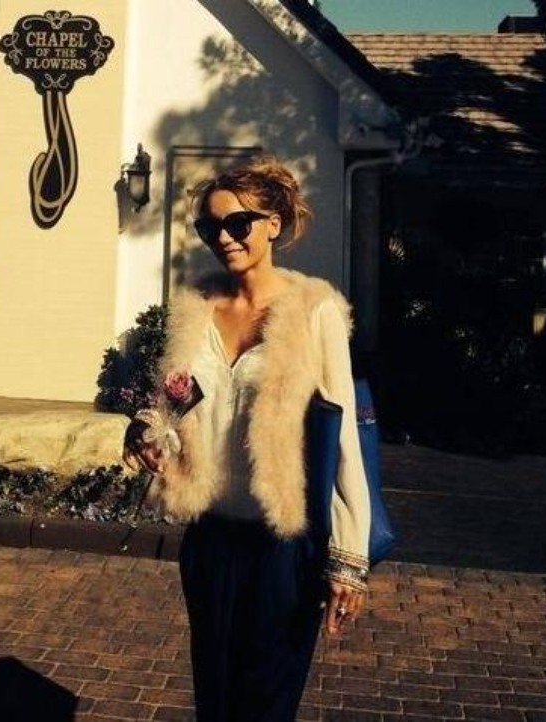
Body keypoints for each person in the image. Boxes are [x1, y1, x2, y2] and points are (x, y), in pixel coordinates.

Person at [123, 157, 371, 722]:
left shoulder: (315, 312)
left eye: (238, 223)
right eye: (210, 227)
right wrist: (147, 431)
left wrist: (348, 560)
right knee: (215, 700)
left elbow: (343, 438)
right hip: (210, 539)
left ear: (273, 224)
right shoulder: (195, 310)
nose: (224, 238)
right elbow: (174, 403)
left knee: (265, 705)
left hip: (283, 546)